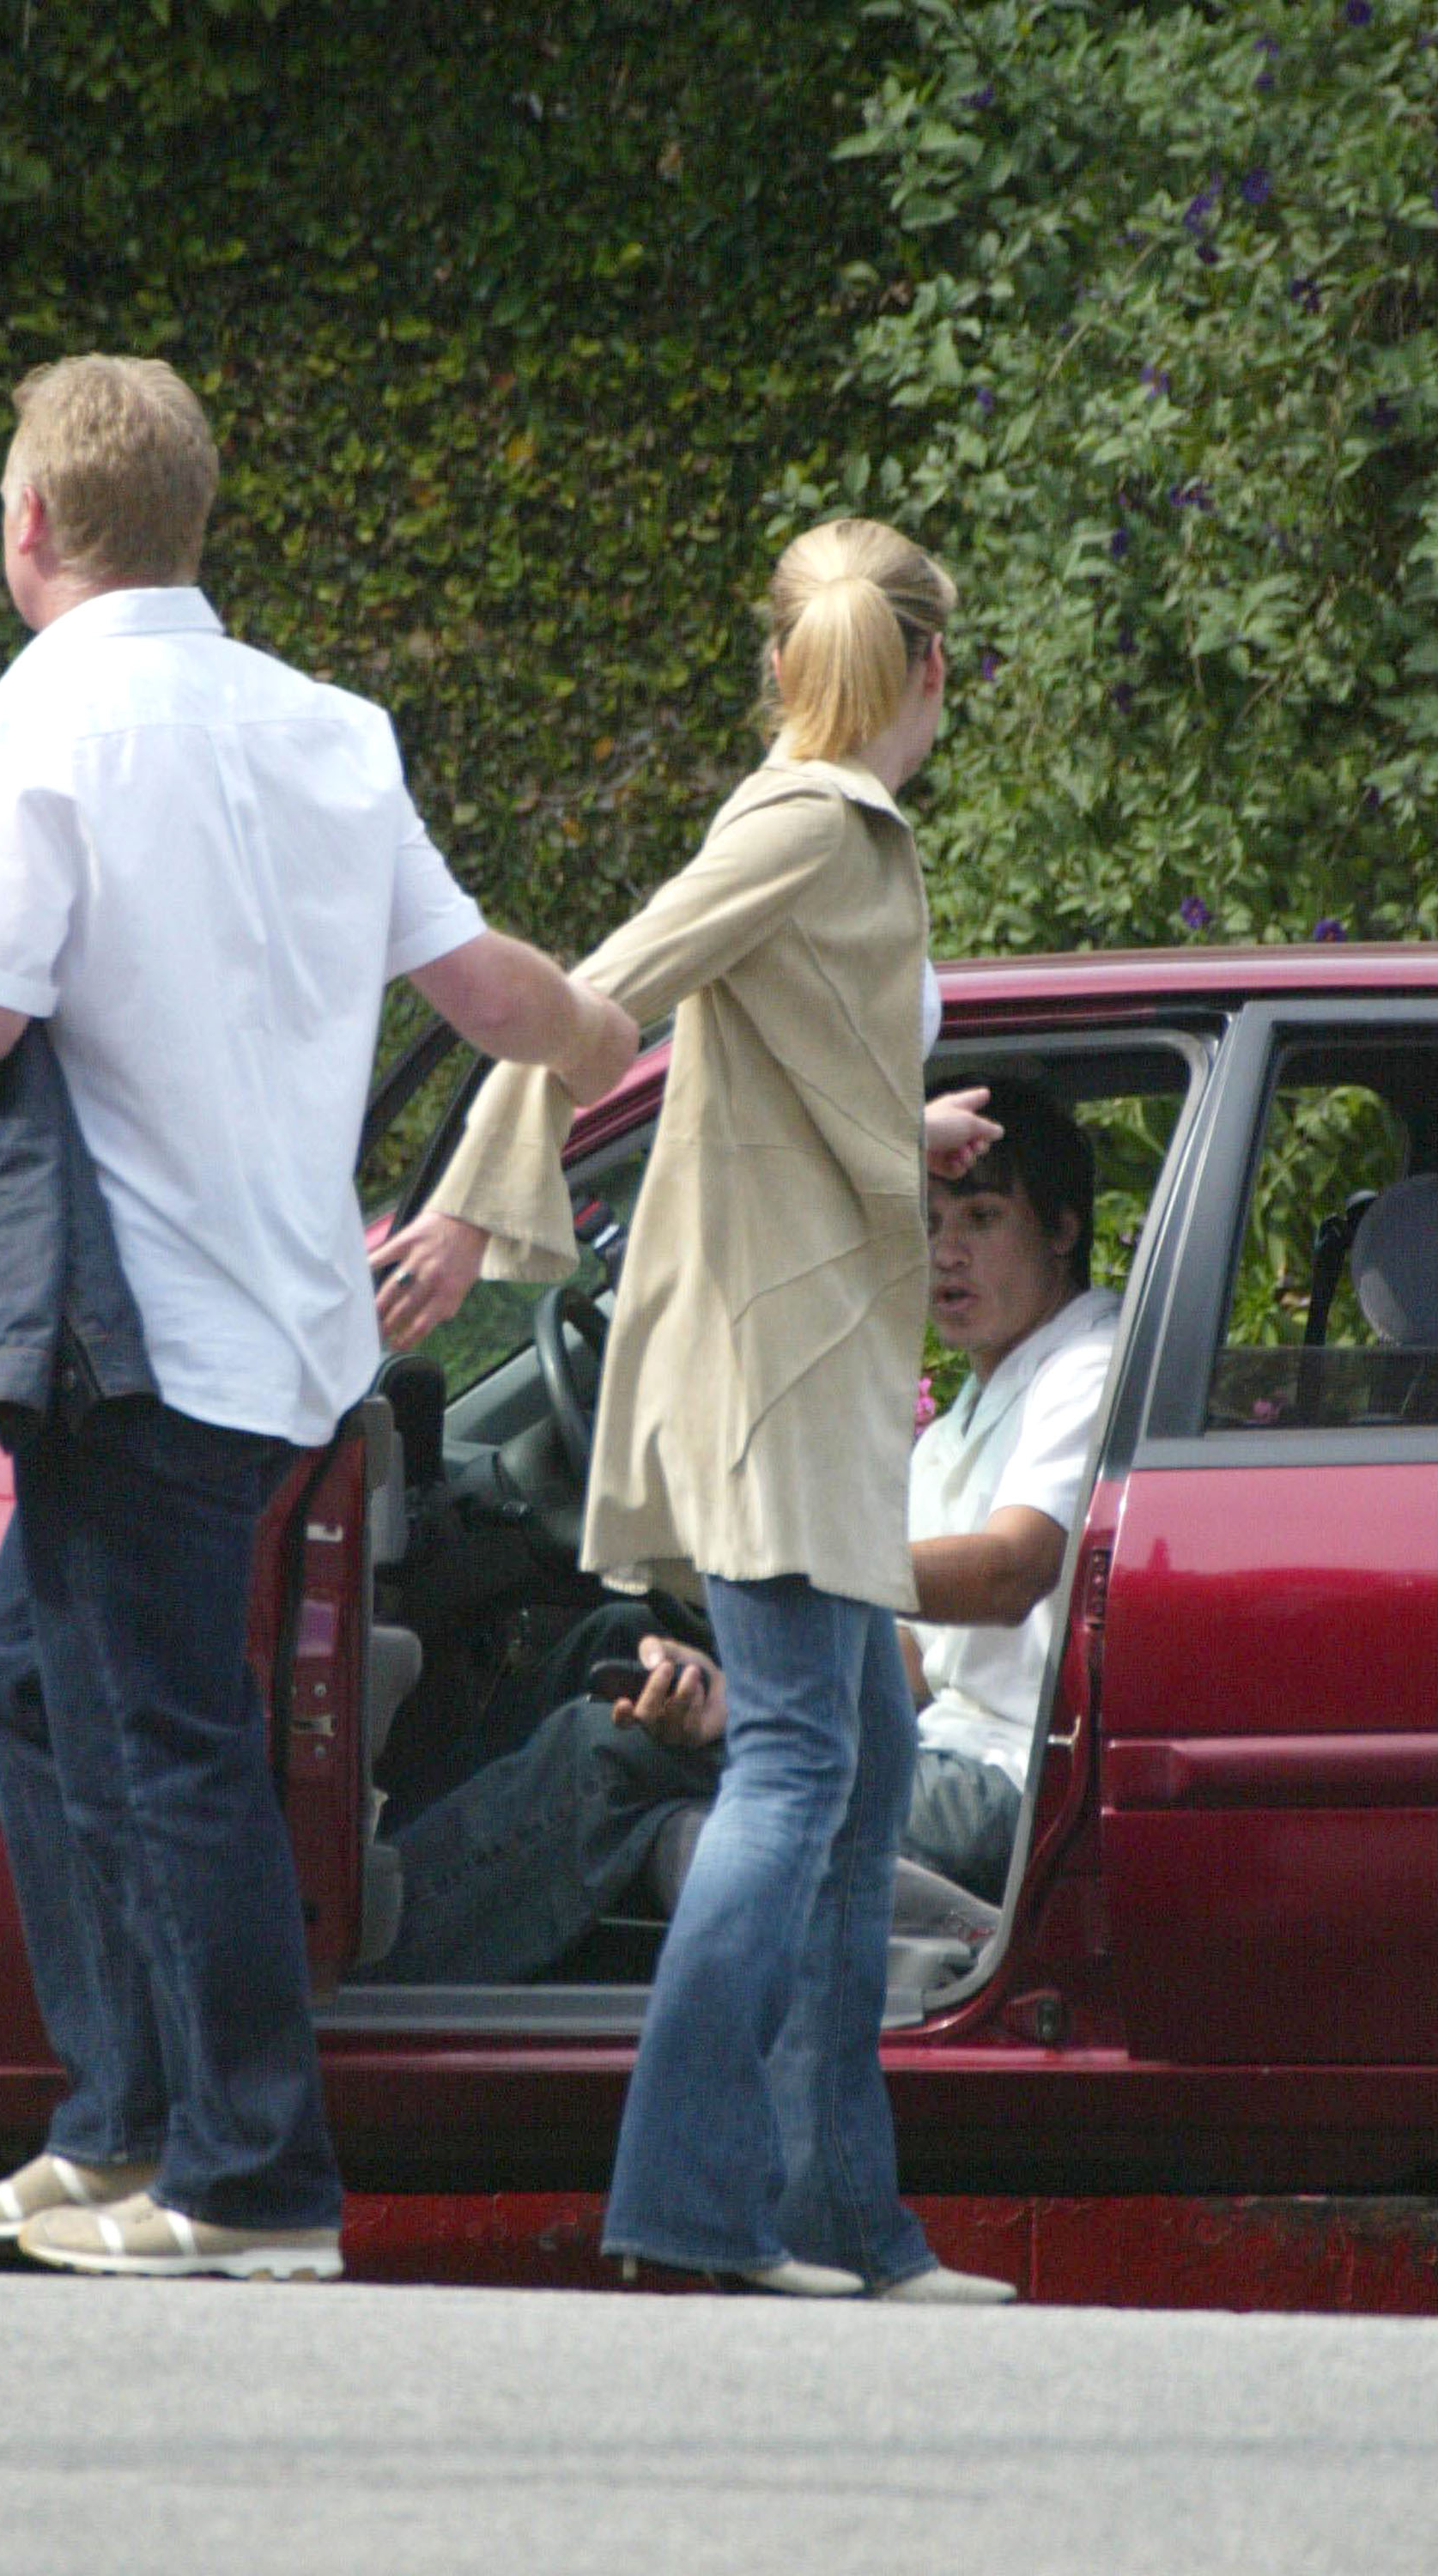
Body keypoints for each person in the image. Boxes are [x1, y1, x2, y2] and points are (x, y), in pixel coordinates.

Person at [0, 355, 636, 2279]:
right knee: (36, 1685)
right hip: (292, 1336)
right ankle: (119, 2124)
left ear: (32, 525)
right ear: (190, 519)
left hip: (125, 1339)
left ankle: (246, 2180)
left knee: (166, 1737)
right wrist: (601, 1033)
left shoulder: (17, 731)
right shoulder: (330, 726)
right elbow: (484, 985)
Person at [373, 518, 1004, 2300]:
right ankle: (693, 2207)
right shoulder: (805, 823)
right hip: (771, 1374)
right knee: (806, 1767)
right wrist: (469, 1211)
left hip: (803, 1364)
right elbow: (604, 997)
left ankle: (839, 2224)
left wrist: (912, 1139)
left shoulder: (829, 831)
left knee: (850, 1767)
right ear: (930, 672)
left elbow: (783, 1067)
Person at [366, 1079, 1118, 1979]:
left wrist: (784, 1573)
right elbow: (907, 1663)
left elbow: (1009, 1571)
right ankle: (379, 1885)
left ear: (1063, 1230)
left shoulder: (1084, 1360)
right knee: (615, 1643)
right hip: (932, 1745)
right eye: (926, 1223)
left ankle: (372, 1973)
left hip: (997, 1785)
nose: (945, 1254)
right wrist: (742, 1688)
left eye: (983, 1218)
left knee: (612, 1747)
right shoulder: (972, 1409)